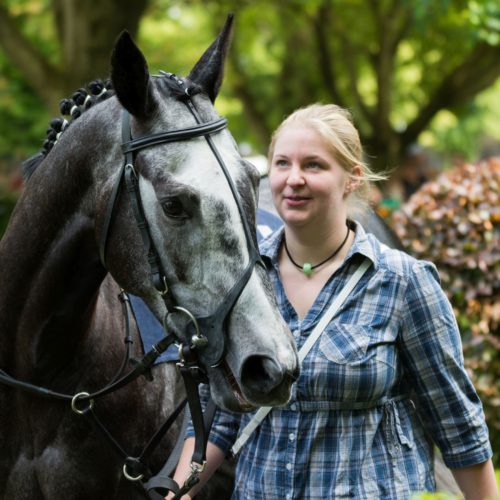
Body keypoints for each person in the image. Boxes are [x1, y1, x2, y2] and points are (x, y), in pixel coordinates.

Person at [167, 104, 497, 499]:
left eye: (314, 165)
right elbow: (217, 418)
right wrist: (178, 494)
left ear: (352, 178)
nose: (294, 179)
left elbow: (456, 423)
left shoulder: (402, 282)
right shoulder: (242, 282)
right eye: (282, 163)